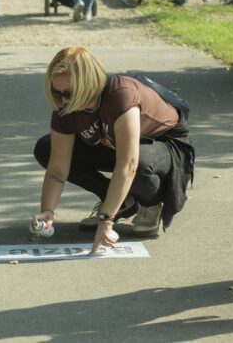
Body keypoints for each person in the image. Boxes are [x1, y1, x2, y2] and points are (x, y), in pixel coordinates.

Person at [31, 47, 195, 253]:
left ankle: (150, 204)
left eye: (69, 93)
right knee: (46, 148)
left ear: (87, 85)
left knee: (140, 164)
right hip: (113, 143)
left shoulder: (120, 95)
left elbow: (128, 165)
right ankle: (123, 201)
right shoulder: (65, 109)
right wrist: (48, 211)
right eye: (57, 93)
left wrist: (106, 221)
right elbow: (57, 170)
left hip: (164, 143)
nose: (62, 100)